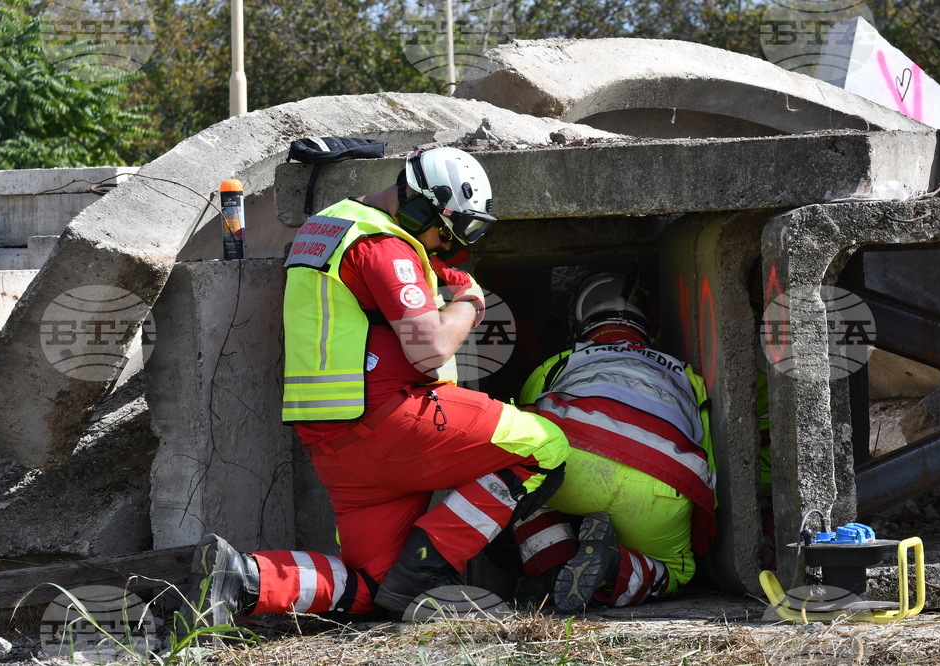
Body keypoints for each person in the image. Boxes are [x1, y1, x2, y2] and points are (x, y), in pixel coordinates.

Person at [189, 146, 569, 623]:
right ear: (418, 208)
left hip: (335, 443)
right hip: (392, 422)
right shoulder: (383, 245)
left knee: (375, 584)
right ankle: (428, 568)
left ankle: (242, 579)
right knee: (546, 447)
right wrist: (471, 302)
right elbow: (429, 349)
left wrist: (433, 268)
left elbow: (383, 292)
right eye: (444, 235)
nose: (446, 249)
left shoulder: (330, 225)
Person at [510, 272, 717, 612]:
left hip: (579, 461)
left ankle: (553, 569)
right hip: (663, 482)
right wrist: (704, 528)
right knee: (678, 572)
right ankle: (613, 567)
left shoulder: (556, 363)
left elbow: (526, 427)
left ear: (580, 328)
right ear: (647, 332)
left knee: (520, 476)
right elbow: (708, 454)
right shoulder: (687, 373)